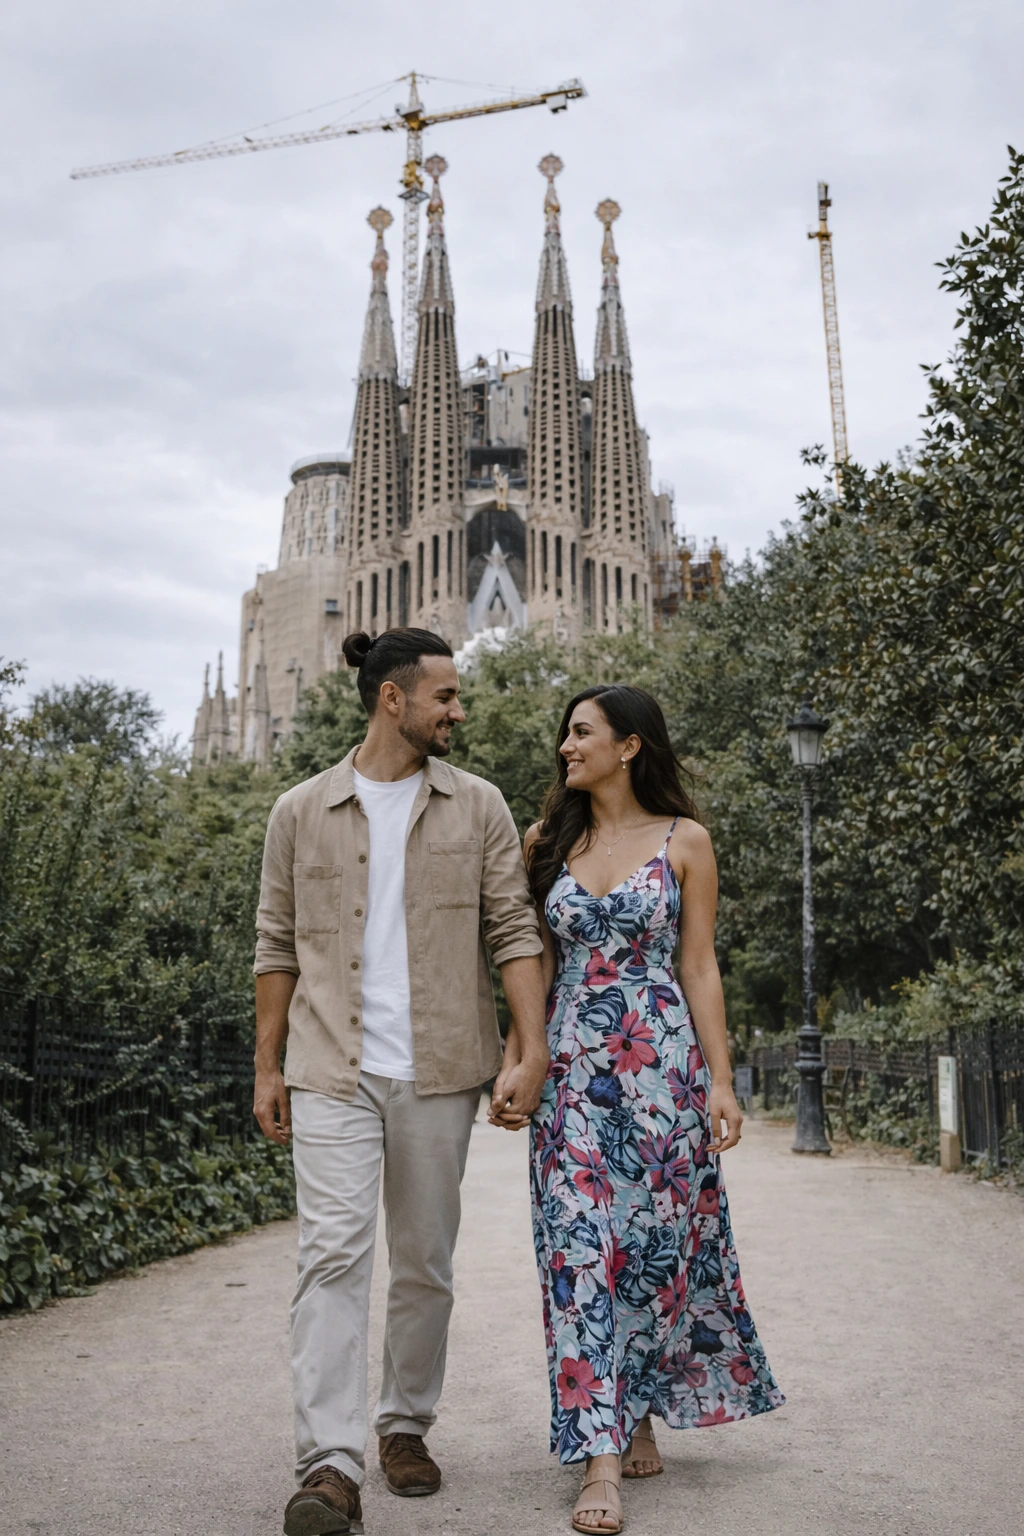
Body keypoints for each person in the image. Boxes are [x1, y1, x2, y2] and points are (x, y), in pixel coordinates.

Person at [252, 627, 548, 1536]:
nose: (460, 710)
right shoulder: (300, 809)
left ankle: (403, 1425)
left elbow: (514, 930)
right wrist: (266, 1065)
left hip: (442, 1066)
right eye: (447, 696)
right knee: (332, 1257)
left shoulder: (482, 805)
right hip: (328, 1067)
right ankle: (330, 1462)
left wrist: (528, 1048)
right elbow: (275, 944)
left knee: (425, 1262)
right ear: (394, 698)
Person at [520, 685, 784, 1535]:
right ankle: (600, 1460)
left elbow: (701, 966)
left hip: (660, 1072)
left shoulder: (685, 842)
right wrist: (517, 1057)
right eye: (566, 734)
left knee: (650, 1250)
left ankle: (632, 1407)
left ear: (630, 746)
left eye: (582, 732)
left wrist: (722, 1080)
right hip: (570, 1078)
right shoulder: (546, 844)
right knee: (580, 1254)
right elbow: (529, 964)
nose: (567, 745)